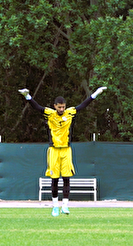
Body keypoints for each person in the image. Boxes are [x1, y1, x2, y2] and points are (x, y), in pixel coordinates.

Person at [18, 87, 107, 216]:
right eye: (59, 107)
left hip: (66, 150)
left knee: (66, 178)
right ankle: (55, 206)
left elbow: (83, 105)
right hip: (54, 150)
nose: (61, 109)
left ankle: (65, 206)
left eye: (63, 107)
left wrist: (96, 93)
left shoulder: (70, 113)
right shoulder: (50, 113)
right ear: (55, 106)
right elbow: (37, 107)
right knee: (54, 179)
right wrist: (27, 96)